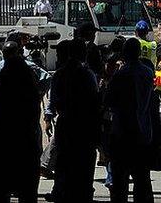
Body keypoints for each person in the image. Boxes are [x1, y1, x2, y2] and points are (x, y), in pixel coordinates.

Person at [0, 51, 42, 203]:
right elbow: (34, 117)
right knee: (28, 193)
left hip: (3, 144)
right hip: (27, 143)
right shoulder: (31, 93)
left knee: (1, 191)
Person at [104, 38, 159, 203]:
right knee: (142, 180)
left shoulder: (121, 74)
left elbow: (108, 100)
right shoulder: (148, 73)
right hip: (143, 132)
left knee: (120, 182)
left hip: (122, 132)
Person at [47, 39, 100, 203]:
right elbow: (95, 101)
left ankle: (61, 191)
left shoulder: (60, 74)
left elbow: (54, 99)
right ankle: (83, 192)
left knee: (64, 161)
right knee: (84, 162)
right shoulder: (87, 74)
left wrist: (51, 115)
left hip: (66, 123)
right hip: (84, 124)